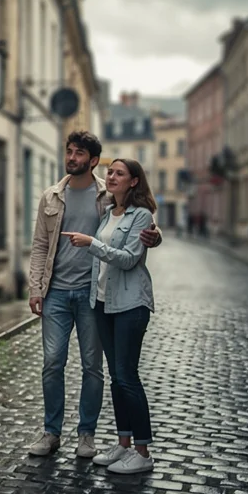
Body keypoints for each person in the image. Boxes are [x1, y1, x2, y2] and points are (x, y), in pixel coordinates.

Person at [27, 131, 161, 459]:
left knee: (93, 367)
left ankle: (86, 435)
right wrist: (35, 287)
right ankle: (51, 432)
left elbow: (137, 219)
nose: (72, 157)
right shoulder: (51, 196)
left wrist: (155, 236)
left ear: (93, 160)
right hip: (56, 292)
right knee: (52, 363)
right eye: (69, 151)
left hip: (92, 296)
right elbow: (41, 245)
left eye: (79, 153)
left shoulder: (107, 193)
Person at [61, 157, 158, 474]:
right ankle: (123, 444)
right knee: (117, 378)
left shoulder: (141, 215)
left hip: (131, 304)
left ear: (133, 181)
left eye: (119, 173)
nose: (111, 176)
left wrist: (91, 244)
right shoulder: (106, 214)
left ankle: (142, 453)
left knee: (128, 377)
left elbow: (129, 259)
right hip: (102, 303)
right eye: (110, 171)